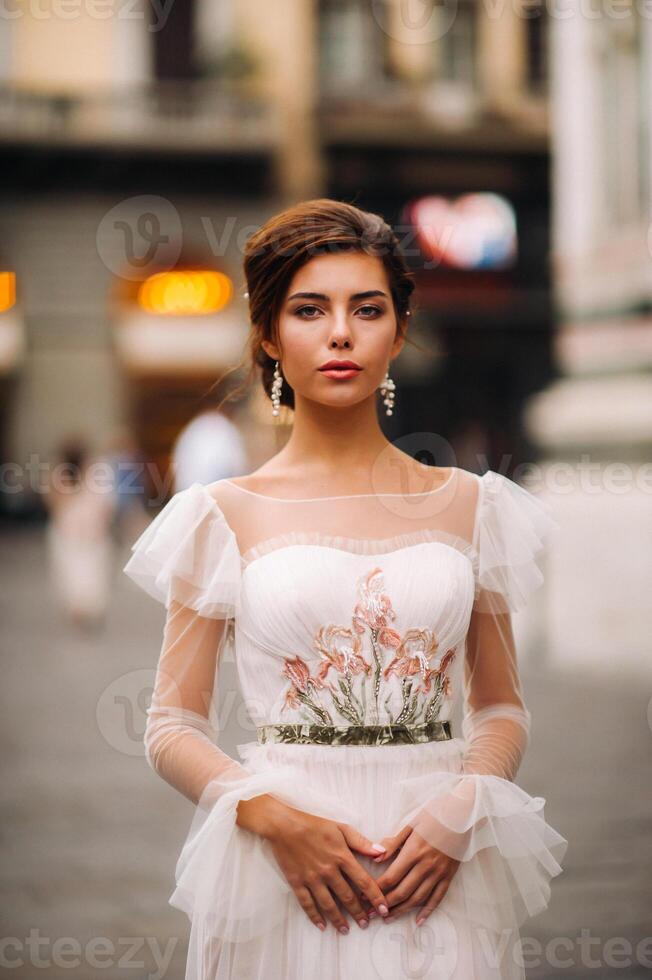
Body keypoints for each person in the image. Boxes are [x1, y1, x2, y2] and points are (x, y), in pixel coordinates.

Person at [123, 199, 567, 980]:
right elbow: (170, 723)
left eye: (367, 310)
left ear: (397, 332)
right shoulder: (220, 515)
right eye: (308, 310)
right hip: (281, 872)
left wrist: (462, 809)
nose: (340, 333)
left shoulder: (473, 505)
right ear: (268, 334)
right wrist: (268, 815)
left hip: (437, 868)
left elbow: (500, 705)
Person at [44, 437, 116, 630]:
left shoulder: (58, 473)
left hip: (69, 531)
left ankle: (79, 609)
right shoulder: (96, 472)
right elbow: (106, 503)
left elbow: (52, 502)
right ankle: (88, 608)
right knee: (91, 572)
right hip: (90, 531)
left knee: (73, 571)